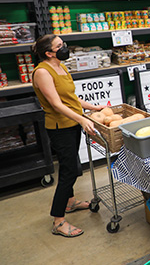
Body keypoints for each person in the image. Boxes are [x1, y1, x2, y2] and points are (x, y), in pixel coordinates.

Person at [31, 34, 105, 237]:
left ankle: (70, 203)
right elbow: (56, 104)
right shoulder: (42, 72)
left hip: (71, 123)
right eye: (59, 45)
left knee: (71, 165)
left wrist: (92, 107)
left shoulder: (61, 66)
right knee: (69, 171)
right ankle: (58, 220)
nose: (64, 47)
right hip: (59, 127)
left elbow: (71, 98)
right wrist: (82, 119)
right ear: (48, 52)